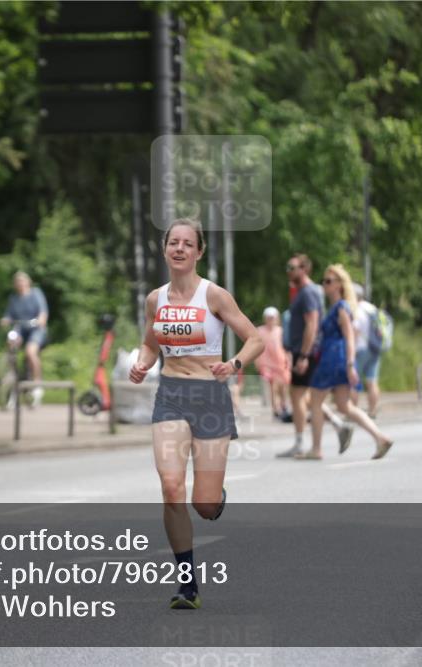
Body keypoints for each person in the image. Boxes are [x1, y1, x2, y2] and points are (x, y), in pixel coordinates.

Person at [129, 218, 263, 610]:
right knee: (172, 489)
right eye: (174, 242)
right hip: (170, 393)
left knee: (203, 504)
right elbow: (149, 343)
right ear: (165, 249)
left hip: (209, 396)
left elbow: (255, 339)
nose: (180, 249)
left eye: (188, 244)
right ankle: (187, 584)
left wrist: (234, 364)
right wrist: (141, 363)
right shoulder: (156, 299)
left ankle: (214, 497)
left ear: (199, 252)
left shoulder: (215, 296)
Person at [300, 264, 393, 460]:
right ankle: (380, 437)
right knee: (344, 406)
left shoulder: (341, 307)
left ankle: (316, 449)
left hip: (334, 358)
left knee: (314, 401)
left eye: (328, 281)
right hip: (337, 358)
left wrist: (351, 364)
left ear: (339, 285)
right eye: (323, 281)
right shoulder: (337, 307)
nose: (324, 284)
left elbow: (350, 336)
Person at [277, 254, 352, 458]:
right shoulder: (302, 292)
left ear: (304, 269)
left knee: (298, 395)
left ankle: (302, 443)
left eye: (292, 267)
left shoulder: (308, 292)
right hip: (304, 351)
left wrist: (303, 355)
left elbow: (312, 323)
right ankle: (338, 425)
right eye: (288, 267)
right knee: (308, 396)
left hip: (306, 351)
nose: (289, 272)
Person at [0, 272, 49, 406]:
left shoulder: (36, 293)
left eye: (22, 281)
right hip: (21, 329)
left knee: (30, 352)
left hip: (36, 329)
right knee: (11, 343)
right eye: (17, 282)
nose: (20, 284)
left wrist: (41, 319)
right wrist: (5, 320)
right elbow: (8, 315)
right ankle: (13, 375)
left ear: (28, 282)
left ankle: (37, 384)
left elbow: (43, 312)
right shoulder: (14, 298)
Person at [351, 283, 382, 418]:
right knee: (372, 381)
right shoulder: (372, 308)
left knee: (354, 382)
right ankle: (373, 410)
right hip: (375, 348)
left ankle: (353, 411)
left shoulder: (356, 310)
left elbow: (355, 332)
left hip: (361, 349)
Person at [255, 306, 291, 420]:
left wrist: (289, 360)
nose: (271, 320)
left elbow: (286, 347)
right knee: (273, 386)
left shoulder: (281, 331)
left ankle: (284, 405)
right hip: (267, 364)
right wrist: (257, 362)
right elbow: (255, 348)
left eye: (273, 318)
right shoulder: (260, 331)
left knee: (283, 387)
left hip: (281, 363)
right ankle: (276, 409)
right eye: (269, 318)